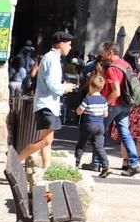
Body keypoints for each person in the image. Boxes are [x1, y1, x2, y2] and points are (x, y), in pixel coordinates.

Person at [17, 31, 74, 169]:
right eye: (69, 44)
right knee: (47, 140)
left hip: (46, 104)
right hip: (47, 104)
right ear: (61, 43)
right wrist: (66, 87)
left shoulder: (51, 58)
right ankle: (15, 160)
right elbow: (53, 85)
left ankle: (46, 168)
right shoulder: (52, 59)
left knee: (47, 141)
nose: (70, 47)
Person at [98, 41, 140, 175]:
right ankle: (135, 163)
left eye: (103, 52)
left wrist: (104, 104)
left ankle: (97, 162)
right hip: (126, 104)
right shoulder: (126, 65)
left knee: (99, 132)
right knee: (125, 133)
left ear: (110, 53)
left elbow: (116, 92)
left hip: (114, 104)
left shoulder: (112, 68)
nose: (102, 54)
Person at [74, 73, 111, 178]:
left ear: (91, 86)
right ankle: (105, 166)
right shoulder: (103, 100)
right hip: (100, 126)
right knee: (99, 147)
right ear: (101, 87)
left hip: (88, 125)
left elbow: (79, 111)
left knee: (81, 145)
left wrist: (79, 109)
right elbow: (105, 114)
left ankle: (75, 165)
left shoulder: (87, 99)